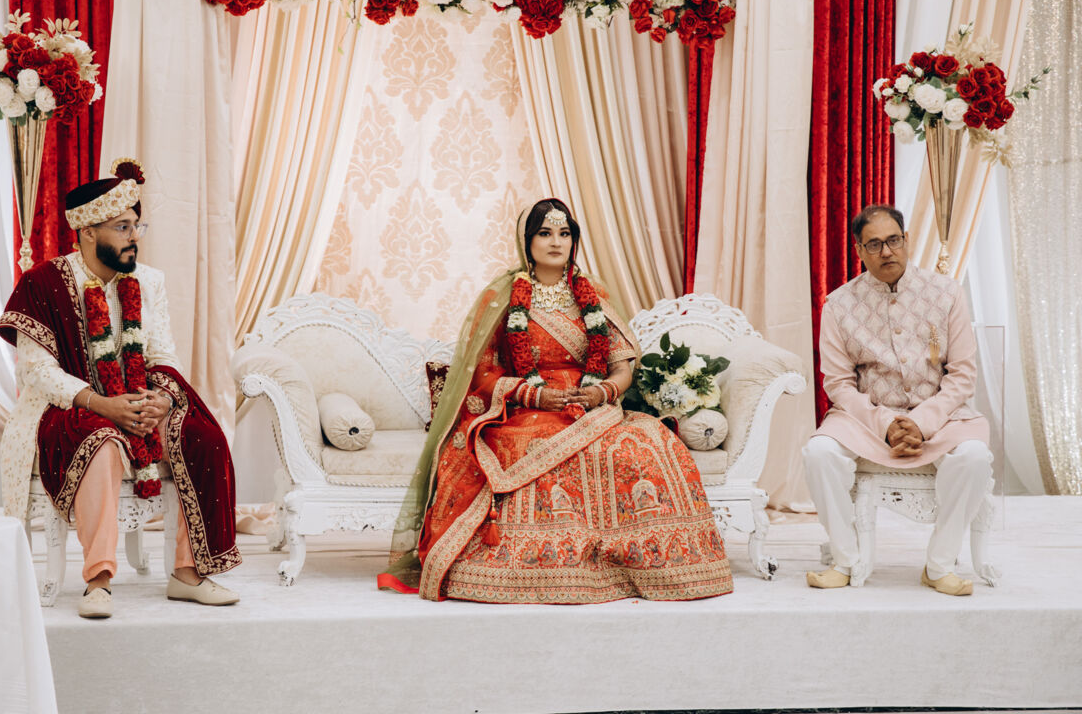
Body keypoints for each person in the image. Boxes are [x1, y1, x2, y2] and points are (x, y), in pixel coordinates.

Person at [379, 199, 734, 603]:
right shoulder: (501, 297)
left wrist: (603, 391)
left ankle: (645, 562)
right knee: (532, 446)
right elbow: (482, 372)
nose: (555, 242)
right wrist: (533, 393)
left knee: (647, 442)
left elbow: (621, 365)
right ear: (526, 241)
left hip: (591, 406)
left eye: (564, 234)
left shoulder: (593, 294)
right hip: (522, 408)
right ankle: (540, 567)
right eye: (545, 233)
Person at [0, 159, 240, 618]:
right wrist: (103, 404)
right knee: (101, 442)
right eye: (123, 227)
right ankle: (98, 581)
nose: (134, 237)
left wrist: (159, 399)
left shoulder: (148, 282)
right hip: (69, 404)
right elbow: (37, 372)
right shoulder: (42, 283)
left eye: (136, 226)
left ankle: (188, 573)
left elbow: (163, 353)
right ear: (88, 232)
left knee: (202, 435)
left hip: (137, 398)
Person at [805, 204, 993, 596]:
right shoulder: (839, 305)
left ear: (906, 240)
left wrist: (922, 422)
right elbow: (838, 383)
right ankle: (845, 560)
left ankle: (939, 566)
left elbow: (962, 374)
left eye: (893, 240)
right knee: (818, 453)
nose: (886, 251)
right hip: (866, 421)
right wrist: (885, 424)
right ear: (859, 250)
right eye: (874, 244)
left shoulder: (946, 294)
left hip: (942, 417)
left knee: (974, 457)